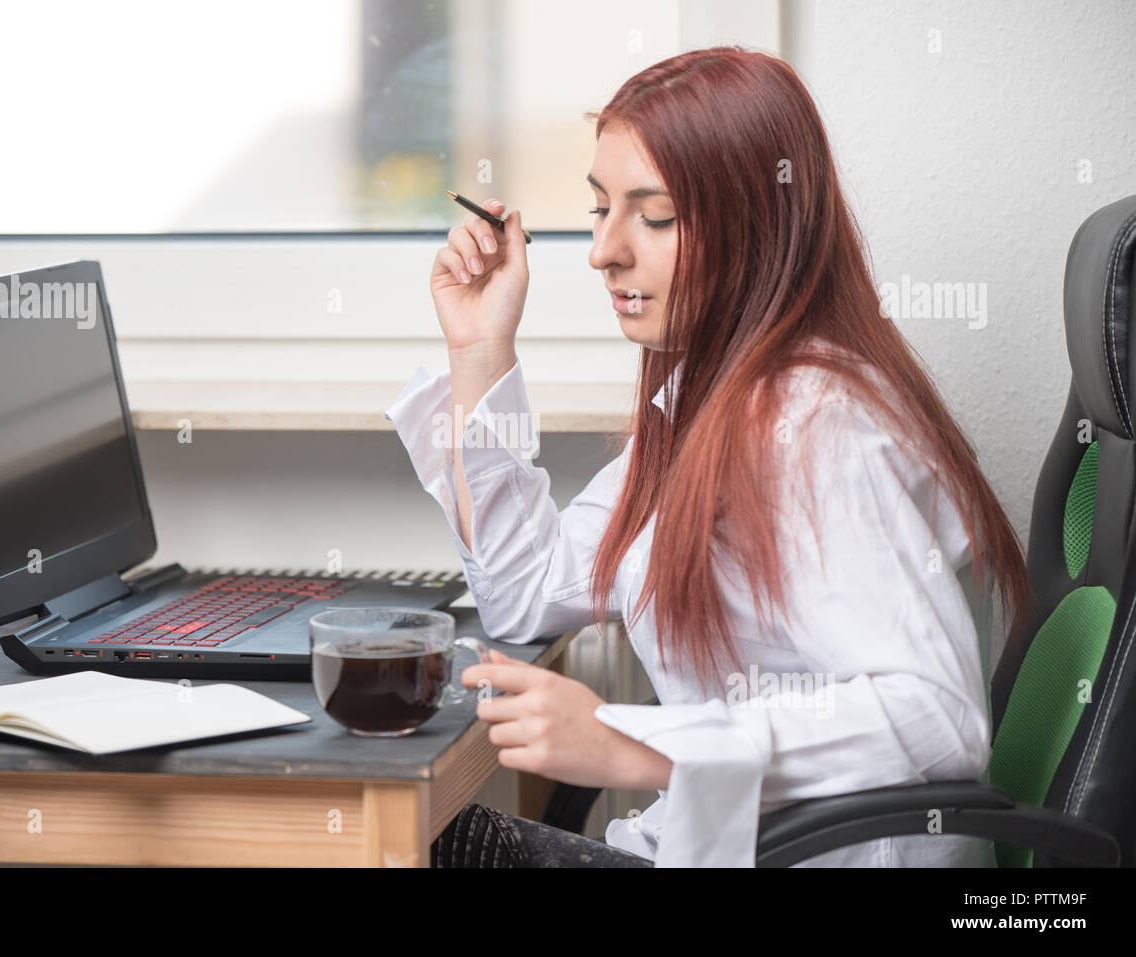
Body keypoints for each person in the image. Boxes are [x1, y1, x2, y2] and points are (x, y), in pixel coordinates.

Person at [383, 46, 1032, 867]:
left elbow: (938, 718)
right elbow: (524, 590)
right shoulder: (707, 401)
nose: (604, 251)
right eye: (599, 209)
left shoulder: (816, 424)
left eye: (653, 217)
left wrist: (634, 744)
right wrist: (481, 347)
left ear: (756, 223)